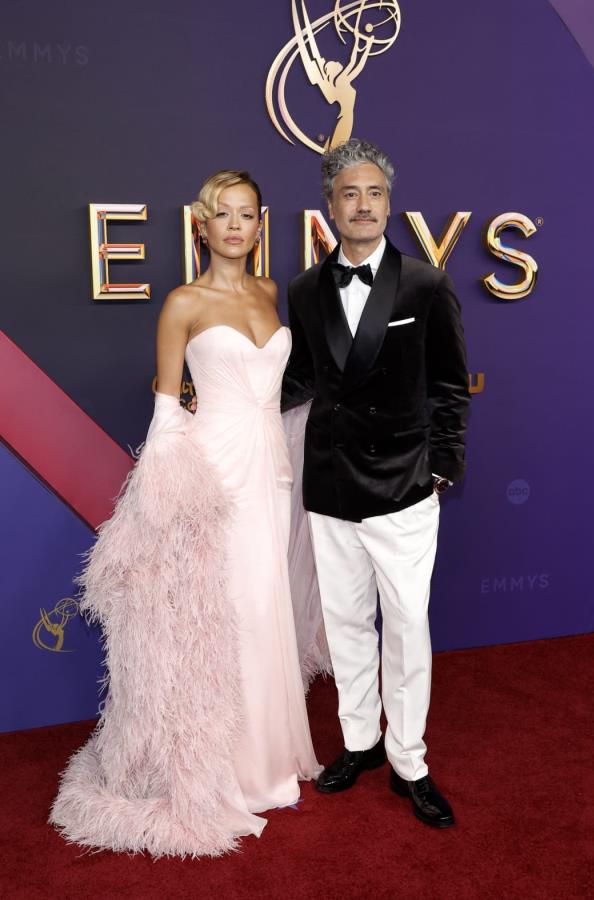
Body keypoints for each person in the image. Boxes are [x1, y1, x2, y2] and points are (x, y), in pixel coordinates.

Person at [50, 170, 322, 858]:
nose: (235, 225)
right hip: (212, 475)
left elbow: (278, 386)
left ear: (261, 225)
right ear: (201, 225)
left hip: (269, 470)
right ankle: (222, 771)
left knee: (265, 605)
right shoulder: (182, 302)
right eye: (222, 214)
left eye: (248, 214)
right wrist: (160, 504)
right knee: (216, 613)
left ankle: (269, 761)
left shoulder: (268, 292)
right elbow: (168, 409)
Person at [282, 139, 470, 828]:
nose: (362, 206)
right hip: (330, 483)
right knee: (346, 625)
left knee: (408, 627)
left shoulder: (425, 284)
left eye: (375, 194)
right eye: (349, 194)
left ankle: (409, 761)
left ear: (388, 205)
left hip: (404, 485)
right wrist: (225, 401)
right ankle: (359, 742)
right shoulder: (304, 289)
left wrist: (442, 465)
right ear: (329, 206)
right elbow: (300, 377)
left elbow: (450, 386)